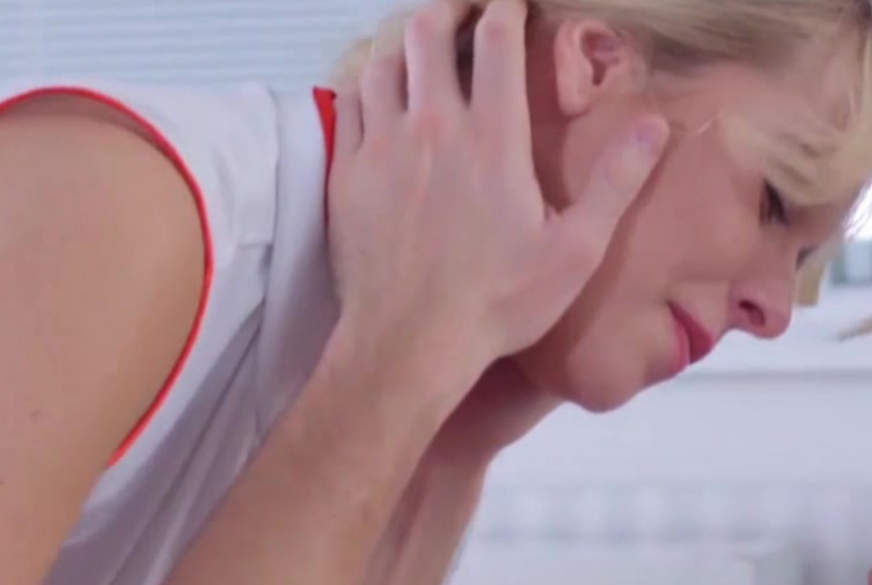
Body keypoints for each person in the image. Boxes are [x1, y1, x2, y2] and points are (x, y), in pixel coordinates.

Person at [1, 0, 870, 584]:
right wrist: (398, 367)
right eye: (773, 201)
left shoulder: (442, 405)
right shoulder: (118, 209)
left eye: (806, 254)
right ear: (595, 64)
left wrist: (447, 437)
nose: (775, 308)